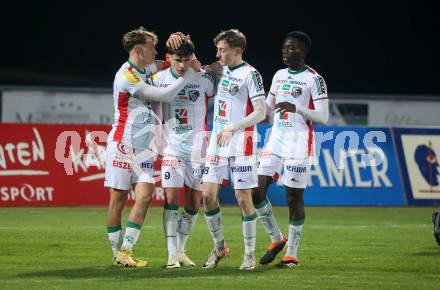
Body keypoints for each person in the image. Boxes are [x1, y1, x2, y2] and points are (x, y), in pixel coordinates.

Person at [104, 26, 201, 267]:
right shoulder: (126, 76)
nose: (155, 52)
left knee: (145, 196)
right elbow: (165, 96)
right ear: (138, 50)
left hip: (143, 146)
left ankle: (125, 250)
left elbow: (176, 62)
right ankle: (117, 253)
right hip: (123, 144)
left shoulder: (147, 67)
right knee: (118, 200)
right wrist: (188, 76)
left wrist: (180, 42)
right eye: (151, 47)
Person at [253, 31, 329, 268]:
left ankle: (291, 255)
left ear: (303, 51)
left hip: (298, 144)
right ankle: (277, 239)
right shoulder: (278, 75)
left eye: (292, 48)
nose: (286, 52)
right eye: (284, 47)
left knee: (293, 199)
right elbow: (266, 109)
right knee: (256, 191)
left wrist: (297, 108)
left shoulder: (314, 79)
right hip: (275, 141)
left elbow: (323, 117)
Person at [197, 29, 266, 270]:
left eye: (222, 50)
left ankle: (249, 254)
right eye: (217, 49)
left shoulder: (251, 74)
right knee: (207, 197)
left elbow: (261, 111)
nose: (218, 54)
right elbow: (194, 66)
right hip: (218, 141)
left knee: (242, 198)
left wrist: (233, 127)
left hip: (241, 142)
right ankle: (219, 248)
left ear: (237, 51)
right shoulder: (219, 68)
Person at [152, 37, 216, 268]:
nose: (182, 65)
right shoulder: (159, 80)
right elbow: (156, 114)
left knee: (193, 204)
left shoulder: (202, 79)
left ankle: (180, 250)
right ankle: (171, 255)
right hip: (172, 148)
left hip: (198, 150)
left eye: (186, 59)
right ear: (168, 57)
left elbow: (219, 82)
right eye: (177, 59)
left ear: (193, 58)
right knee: (172, 200)